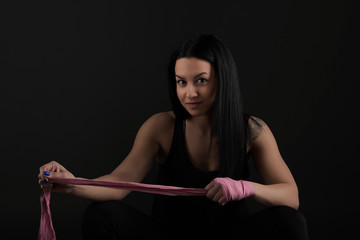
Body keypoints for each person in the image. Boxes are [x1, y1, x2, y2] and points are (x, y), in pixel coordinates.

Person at [38, 34, 309, 239]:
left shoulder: (252, 130)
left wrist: (244, 188)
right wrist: (72, 183)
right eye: (182, 82)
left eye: (201, 80)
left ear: (222, 80)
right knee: (101, 214)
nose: (189, 93)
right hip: (166, 236)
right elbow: (119, 181)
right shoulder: (161, 127)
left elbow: (290, 195)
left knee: (290, 221)